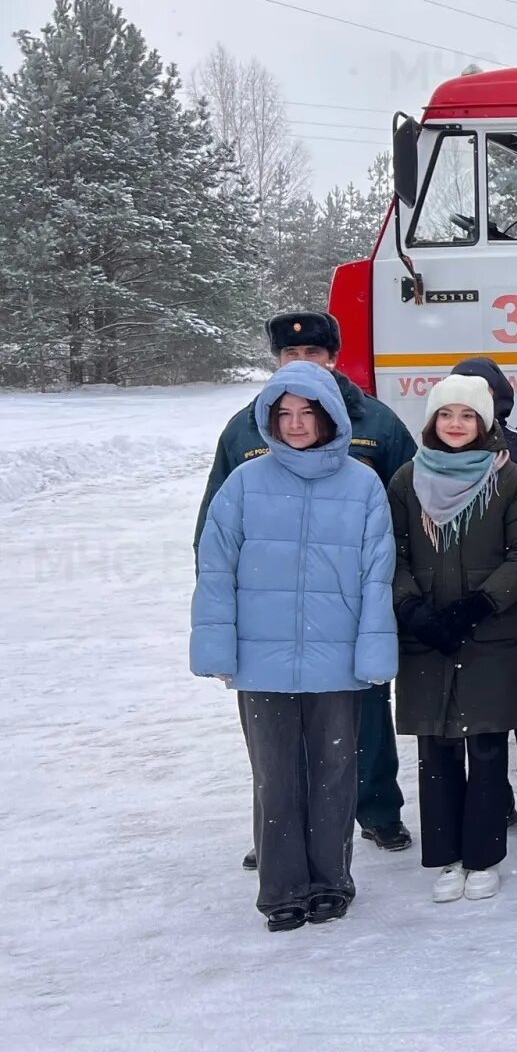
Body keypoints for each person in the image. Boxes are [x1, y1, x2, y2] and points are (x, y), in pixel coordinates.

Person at [197, 312, 415, 864]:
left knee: (363, 713)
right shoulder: (246, 426)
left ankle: (378, 811)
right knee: (275, 739)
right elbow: (215, 522)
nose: (302, 365)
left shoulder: (378, 422)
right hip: (273, 611)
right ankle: (278, 834)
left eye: (314, 355)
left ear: (334, 359)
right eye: (291, 357)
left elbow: (407, 508)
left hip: (344, 604)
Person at [388, 376, 517, 903]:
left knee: (484, 745)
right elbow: (391, 552)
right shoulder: (407, 480)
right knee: (435, 749)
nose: (455, 425)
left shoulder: (509, 480)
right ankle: (446, 857)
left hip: (489, 634)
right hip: (426, 637)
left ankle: (483, 856)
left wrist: (482, 603)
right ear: (432, 422)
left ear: (485, 423)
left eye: (467, 416)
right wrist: (412, 606)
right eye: (446, 415)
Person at [451, 356, 517, 837]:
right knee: (479, 707)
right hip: (464, 605)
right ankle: (493, 796)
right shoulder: (435, 455)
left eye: (486, 397)